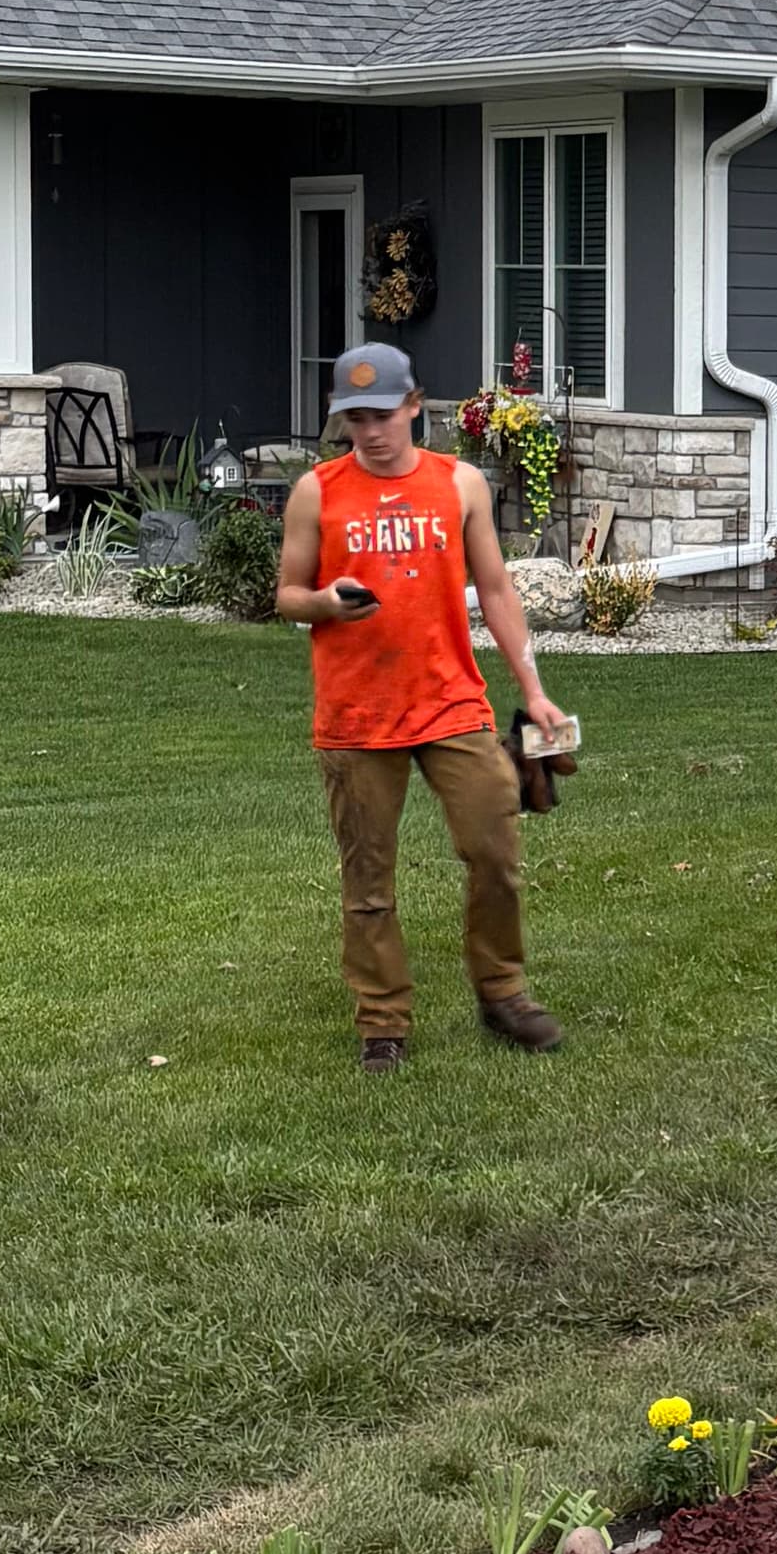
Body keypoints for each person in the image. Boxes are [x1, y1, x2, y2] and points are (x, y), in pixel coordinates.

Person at [277, 341, 571, 1069]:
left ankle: (503, 992)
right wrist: (324, 603)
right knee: (368, 879)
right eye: (354, 418)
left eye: (383, 414)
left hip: (451, 703)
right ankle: (383, 1022)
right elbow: (286, 596)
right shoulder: (318, 490)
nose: (370, 431)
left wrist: (532, 691)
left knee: (494, 846)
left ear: (415, 407)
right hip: (356, 714)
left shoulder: (460, 484)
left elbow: (497, 591)